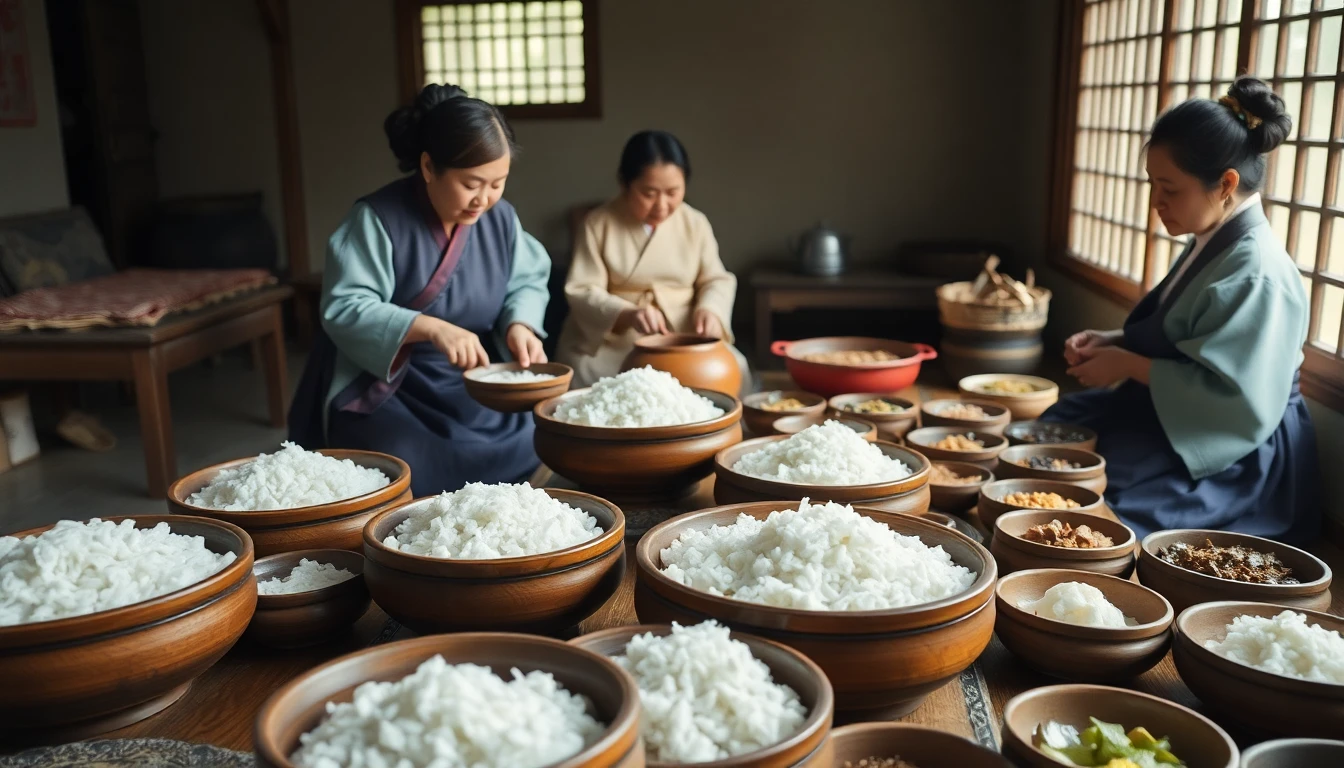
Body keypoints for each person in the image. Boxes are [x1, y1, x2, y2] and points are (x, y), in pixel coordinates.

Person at [1043, 76, 1320, 544]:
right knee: (1052, 441)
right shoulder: (1217, 236)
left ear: (1226, 184)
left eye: (1169, 189)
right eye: (1154, 185)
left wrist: (1128, 363)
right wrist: (1115, 341)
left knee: (1111, 521)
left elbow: (1237, 395)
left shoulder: (1259, 272)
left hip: (1234, 444)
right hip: (1179, 411)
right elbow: (1190, 334)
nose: (1157, 203)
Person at [288, 84, 550, 496]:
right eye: (471, 183)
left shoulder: (502, 220)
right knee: (400, 456)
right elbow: (345, 305)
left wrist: (521, 325)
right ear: (428, 167)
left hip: (469, 378)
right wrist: (429, 328)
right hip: (391, 384)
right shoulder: (377, 219)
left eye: (497, 183)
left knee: (537, 430)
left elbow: (527, 280)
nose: (484, 199)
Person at [555, 130, 748, 389]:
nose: (662, 205)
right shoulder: (598, 223)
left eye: (673, 192)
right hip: (616, 340)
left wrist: (710, 309)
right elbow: (582, 289)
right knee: (584, 371)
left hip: (683, 332)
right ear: (624, 184)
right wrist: (627, 312)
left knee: (734, 367)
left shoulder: (695, 222)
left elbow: (715, 278)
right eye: (649, 193)